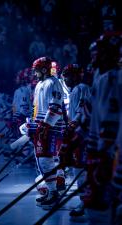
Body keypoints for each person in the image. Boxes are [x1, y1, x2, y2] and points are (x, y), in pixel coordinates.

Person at [83, 32, 122, 225]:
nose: (94, 56)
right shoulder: (103, 77)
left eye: (98, 52)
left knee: (104, 209)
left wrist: (104, 156)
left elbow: (110, 121)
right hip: (105, 152)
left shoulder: (112, 79)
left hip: (110, 154)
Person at [30, 56, 65, 209]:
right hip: (41, 128)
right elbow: (36, 108)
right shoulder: (39, 84)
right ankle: (51, 192)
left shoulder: (53, 83)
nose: (35, 73)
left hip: (51, 129)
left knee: (46, 160)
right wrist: (31, 123)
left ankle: (53, 193)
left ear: (44, 69)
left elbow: (56, 107)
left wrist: (46, 125)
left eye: (37, 70)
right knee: (41, 161)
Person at [59, 64, 91, 218]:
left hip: (83, 135)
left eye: (68, 75)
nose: (65, 79)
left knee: (82, 168)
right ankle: (84, 199)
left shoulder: (82, 88)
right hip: (77, 133)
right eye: (64, 75)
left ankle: (85, 201)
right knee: (77, 168)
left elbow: (82, 111)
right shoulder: (73, 91)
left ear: (76, 76)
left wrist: (73, 126)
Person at [12, 69, 32, 138]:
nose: (16, 79)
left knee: (24, 140)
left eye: (18, 77)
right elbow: (15, 105)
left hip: (23, 119)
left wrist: (18, 117)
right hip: (20, 118)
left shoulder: (23, 90)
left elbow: (24, 107)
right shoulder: (19, 90)